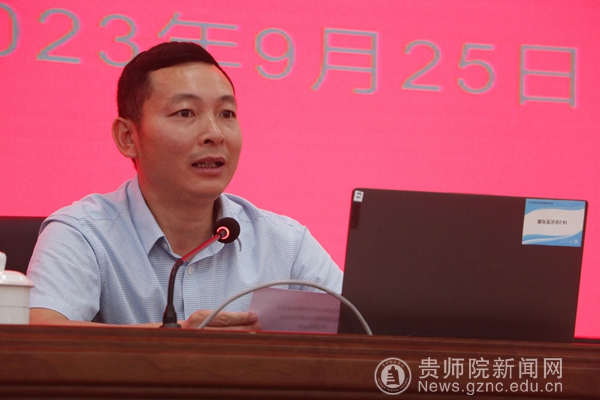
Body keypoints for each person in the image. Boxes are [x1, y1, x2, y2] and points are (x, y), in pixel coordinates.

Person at [27, 42, 343, 329]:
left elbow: (361, 329)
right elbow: (40, 333)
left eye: (227, 113)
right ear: (128, 137)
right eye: (185, 112)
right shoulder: (84, 232)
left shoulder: (285, 243)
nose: (214, 134)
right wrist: (177, 340)